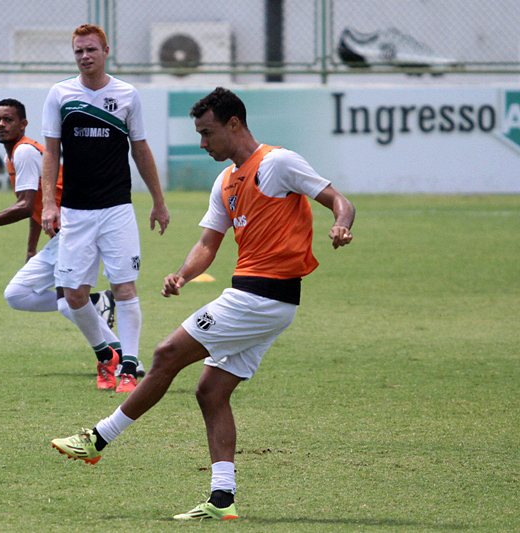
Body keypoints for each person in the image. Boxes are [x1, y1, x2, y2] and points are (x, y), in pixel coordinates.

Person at [51, 87, 355, 520]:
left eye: (207, 132)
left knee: (165, 354)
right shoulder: (226, 181)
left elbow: (339, 201)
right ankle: (222, 500)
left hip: (259, 297)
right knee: (211, 391)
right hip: (265, 302)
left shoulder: (278, 163)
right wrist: (182, 274)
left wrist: (341, 225)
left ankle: (97, 439)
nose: (202, 142)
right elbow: (208, 243)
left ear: (234, 124)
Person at [40, 24, 170, 393]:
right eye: (79, 50)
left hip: (116, 208)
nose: (85, 56)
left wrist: (159, 202)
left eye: (91, 49)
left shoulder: (127, 94)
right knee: (74, 294)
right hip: (76, 212)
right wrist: (50, 203)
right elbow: (51, 151)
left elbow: (140, 150)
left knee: (124, 288)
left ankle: (128, 366)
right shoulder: (60, 94)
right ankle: (105, 353)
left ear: (106, 50)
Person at [0, 98, 122, 369]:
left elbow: (25, 206)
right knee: (19, 294)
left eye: (8, 119)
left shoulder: (25, 152)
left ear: (23, 124)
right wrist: (31, 248)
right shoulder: (17, 153)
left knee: (67, 303)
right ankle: (95, 305)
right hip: (71, 232)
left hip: (77, 229)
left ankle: (121, 358)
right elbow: (37, 205)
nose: (1, 125)